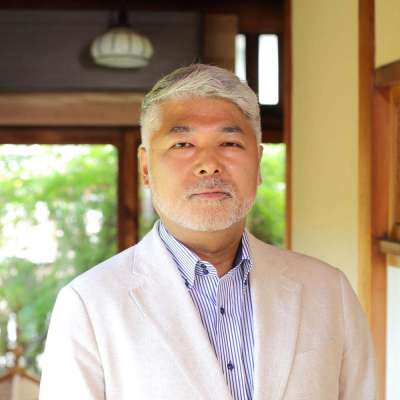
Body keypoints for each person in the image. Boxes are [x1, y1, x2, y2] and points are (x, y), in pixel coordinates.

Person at [39, 64, 376, 400]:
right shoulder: (89, 303)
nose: (209, 164)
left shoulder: (328, 291)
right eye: (183, 144)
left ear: (258, 162)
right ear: (145, 167)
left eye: (229, 142)